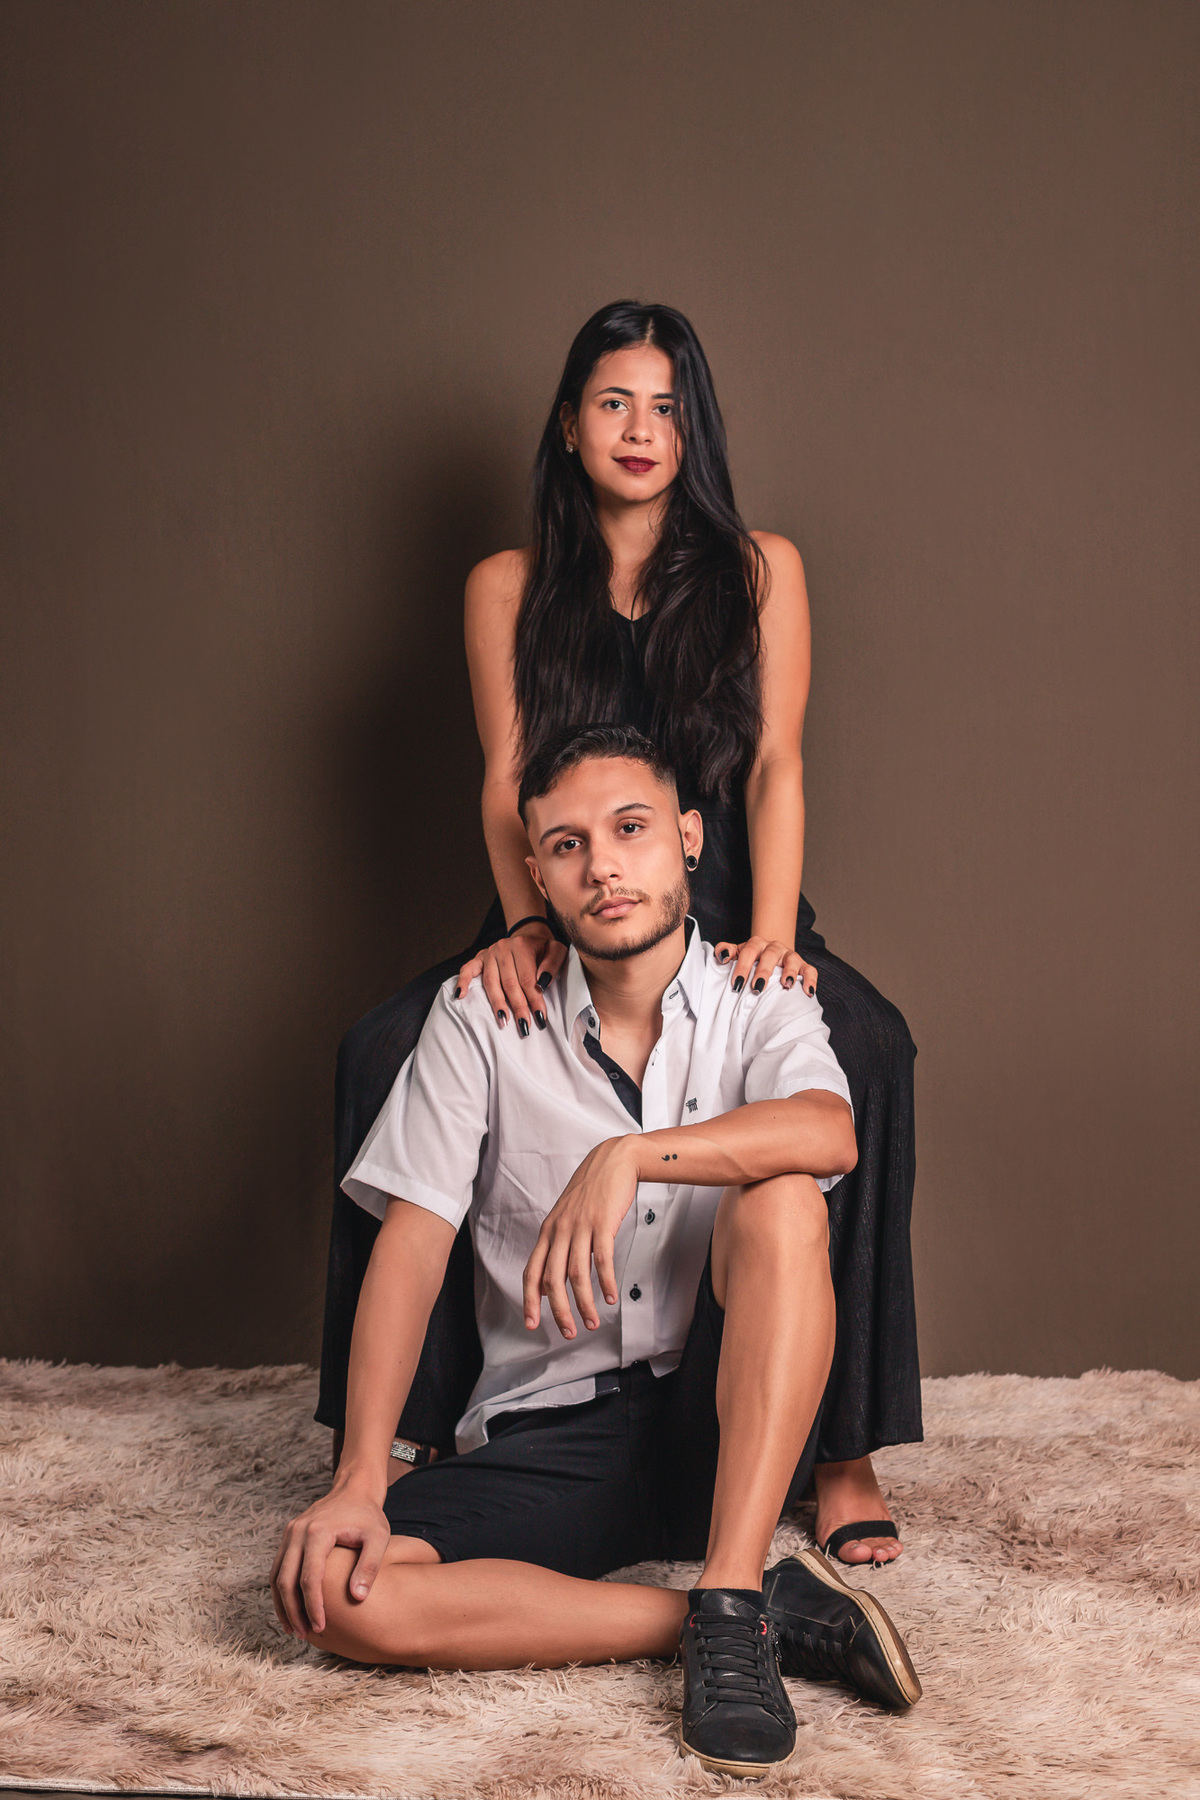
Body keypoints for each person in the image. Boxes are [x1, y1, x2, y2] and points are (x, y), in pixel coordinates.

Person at [318, 299, 920, 1568]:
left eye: (666, 407)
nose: (641, 430)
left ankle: (844, 1448)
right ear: (568, 425)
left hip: (729, 901)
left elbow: (776, 766)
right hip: (563, 901)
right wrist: (526, 924)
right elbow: (506, 782)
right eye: (613, 403)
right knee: (381, 1050)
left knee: (869, 1048)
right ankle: (398, 1437)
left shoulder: (760, 569)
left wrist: (771, 935)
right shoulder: (507, 587)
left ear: (694, 428)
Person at [274, 729, 921, 1779]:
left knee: (783, 1200)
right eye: (568, 845)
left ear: (690, 838)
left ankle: (731, 1575)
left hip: (725, 1424)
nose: (604, 867)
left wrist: (630, 1156)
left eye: (631, 830)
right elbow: (412, 1245)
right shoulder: (481, 1017)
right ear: (536, 874)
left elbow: (828, 1131)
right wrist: (358, 1478)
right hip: (552, 1429)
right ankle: (741, 1614)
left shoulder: (758, 995)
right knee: (337, 1598)